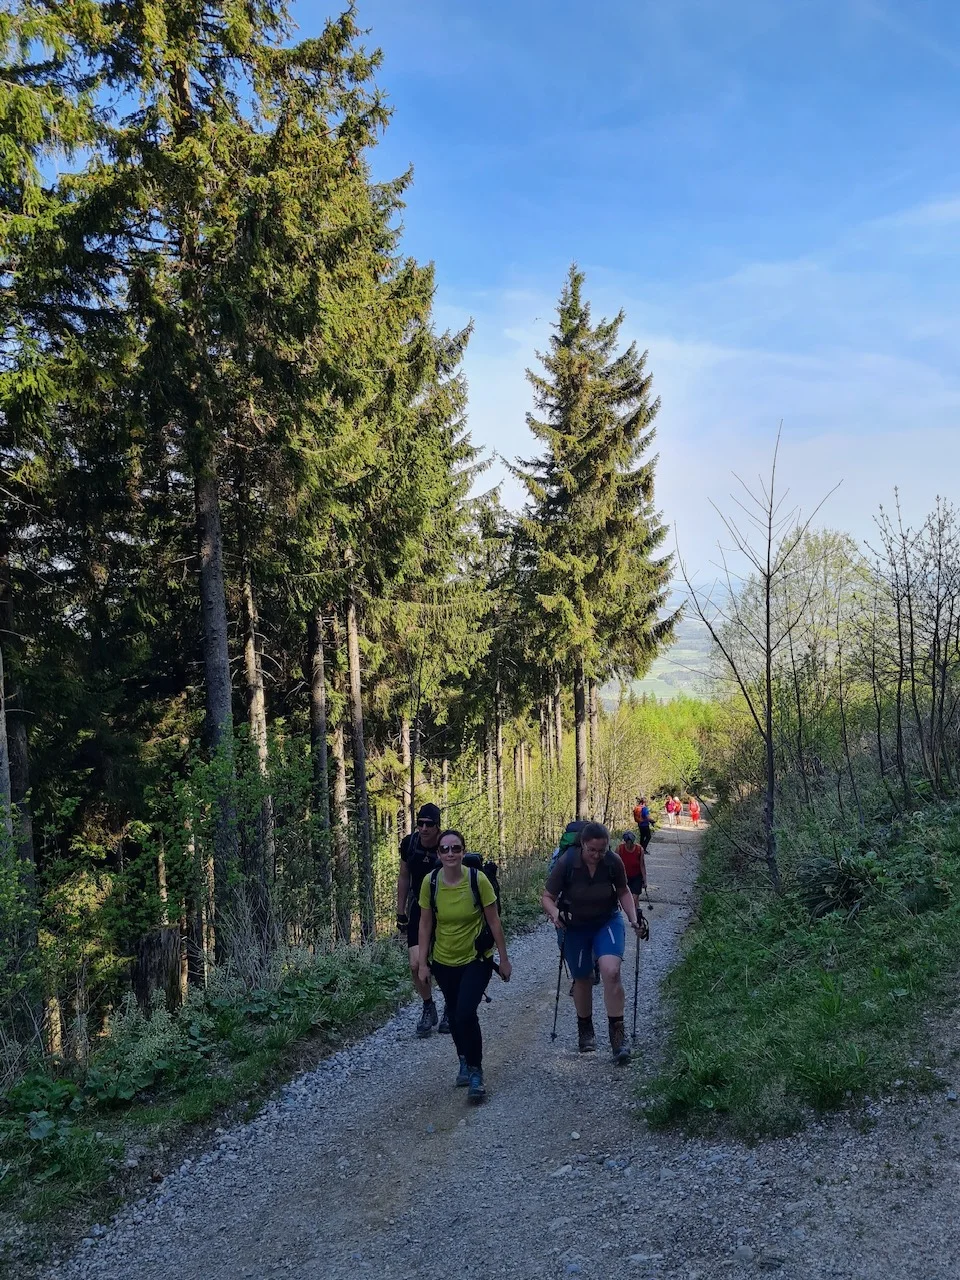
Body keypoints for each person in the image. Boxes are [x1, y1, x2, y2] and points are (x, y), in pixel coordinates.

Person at [417, 829, 512, 1102]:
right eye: (445, 849)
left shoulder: (477, 880)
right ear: (438, 853)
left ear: (462, 851)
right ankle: (463, 1058)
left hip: (476, 959)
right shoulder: (430, 882)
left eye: (455, 848)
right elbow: (425, 924)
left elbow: (494, 922)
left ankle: (475, 1072)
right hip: (443, 961)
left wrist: (504, 959)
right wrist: (422, 963)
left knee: (464, 1013)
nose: (450, 854)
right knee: (456, 1016)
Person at [542, 821, 645, 1064]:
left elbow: (623, 892)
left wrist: (633, 918)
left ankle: (618, 1039)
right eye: (592, 850)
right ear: (582, 845)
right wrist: (555, 914)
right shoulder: (567, 862)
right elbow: (547, 897)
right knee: (583, 977)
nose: (597, 855)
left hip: (606, 921)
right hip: (574, 926)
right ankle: (585, 1028)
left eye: (602, 850)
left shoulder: (612, 862)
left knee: (611, 971)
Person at [397, 802, 447, 1038]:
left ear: (438, 826)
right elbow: (404, 876)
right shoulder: (409, 844)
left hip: (445, 908)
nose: (424, 828)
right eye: (420, 823)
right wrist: (400, 912)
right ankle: (428, 1005)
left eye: (429, 824)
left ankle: (451, 1006)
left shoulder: (447, 845)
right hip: (419, 906)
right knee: (416, 964)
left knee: (446, 962)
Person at [616, 830, 646, 910]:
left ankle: (635, 918)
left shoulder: (640, 849)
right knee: (633, 900)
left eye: (631, 842)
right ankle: (637, 916)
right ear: (625, 841)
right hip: (625, 877)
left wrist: (644, 880)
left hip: (637, 877)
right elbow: (615, 865)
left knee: (634, 898)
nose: (629, 845)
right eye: (627, 842)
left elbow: (642, 865)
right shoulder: (620, 849)